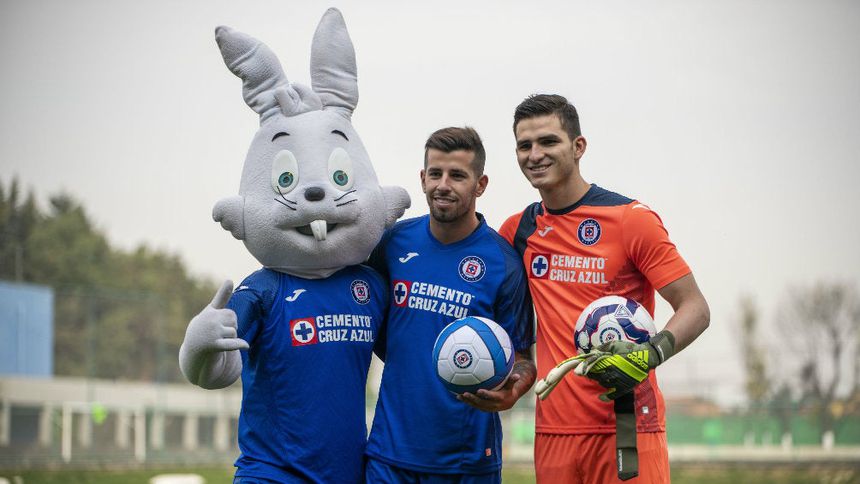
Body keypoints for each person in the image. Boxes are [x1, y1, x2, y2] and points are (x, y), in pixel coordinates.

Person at [498, 94, 710, 483]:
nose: (535, 154)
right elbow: (511, 321)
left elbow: (695, 308)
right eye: (525, 145)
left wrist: (651, 353)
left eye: (548, 141)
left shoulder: (630, 220)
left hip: (627, 427)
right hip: (554, 432)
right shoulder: (517, 231)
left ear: (578, 146)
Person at [365, 127, 537, 483]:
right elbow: (375, 327)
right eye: (435, 174)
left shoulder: (503, 263)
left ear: (480, 184)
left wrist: (512, 391)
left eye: (457, 175)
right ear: (422, 179)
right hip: (390, 454)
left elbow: (522, 358)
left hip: (467, 462)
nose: (443, 185)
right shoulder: (393, 243)